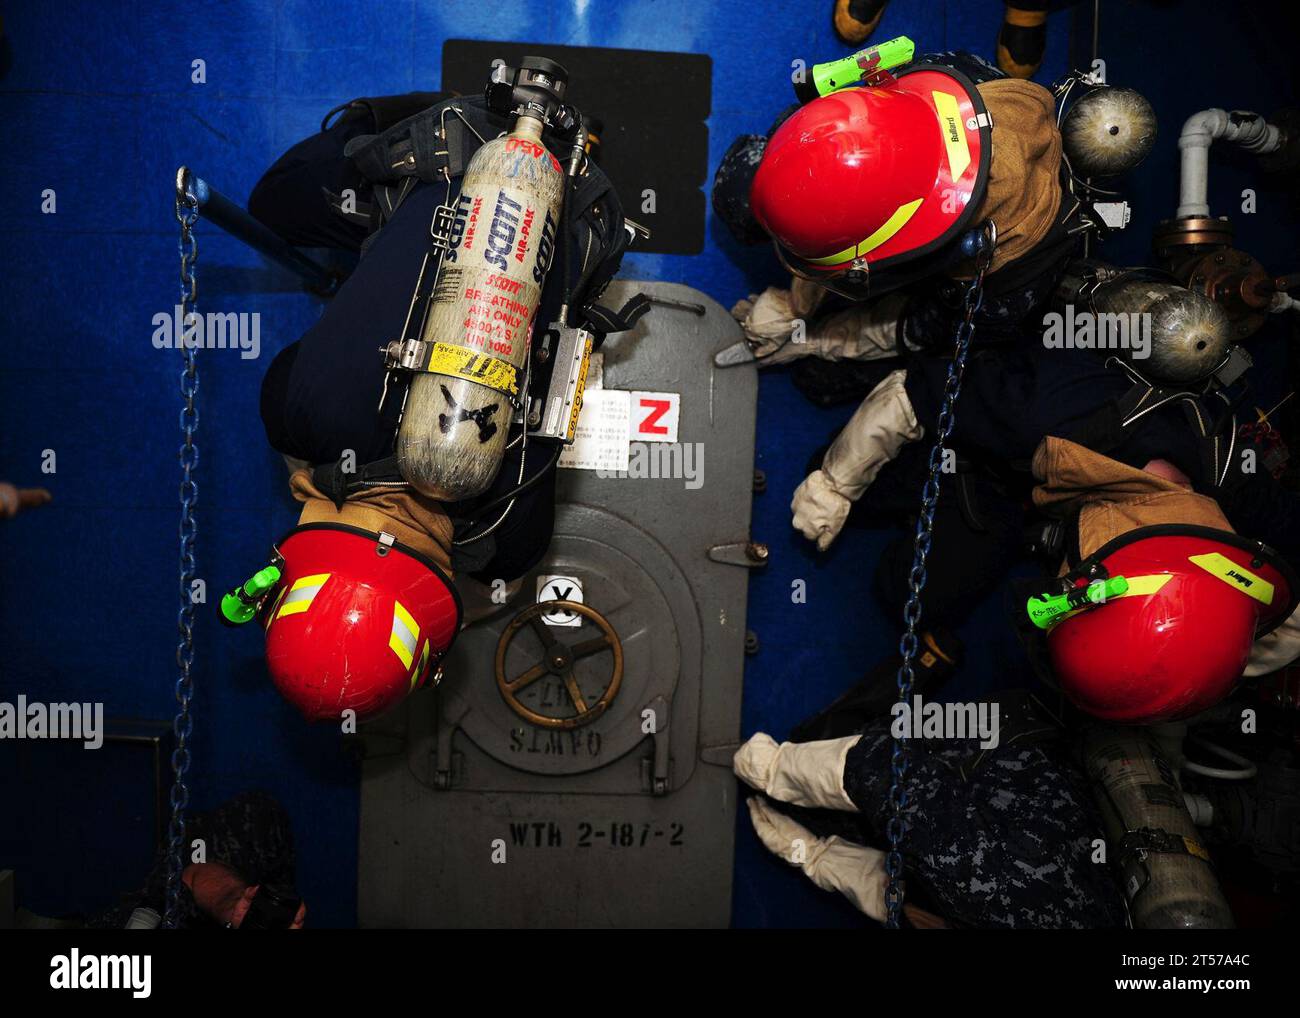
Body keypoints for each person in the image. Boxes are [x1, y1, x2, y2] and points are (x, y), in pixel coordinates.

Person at [226, 81, 633, 723]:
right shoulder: (294, 415)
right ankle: (400, 113)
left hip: (585, 209)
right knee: (273, 199)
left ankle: (567, 145)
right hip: (455, 153)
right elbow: (287, 369)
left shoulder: (513, 543)